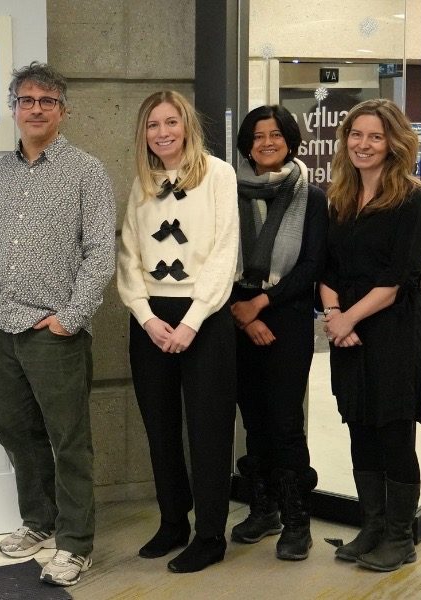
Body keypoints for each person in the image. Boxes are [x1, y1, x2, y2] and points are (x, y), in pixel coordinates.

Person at [0, 61, 115, 587]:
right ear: (13, 109)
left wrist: (70, 319)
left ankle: (75, 544)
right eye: (26, 101)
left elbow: (100, 253)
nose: (35, 109)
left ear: (63, 111)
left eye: (46, 102)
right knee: (15, 432)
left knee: (68, 439)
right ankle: (39, 522)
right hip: (0, 329)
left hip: (54, 333)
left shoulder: (86, 170)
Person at [116, 90, 239, 574]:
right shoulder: (142, 184)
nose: (162, 133)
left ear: (187, 125)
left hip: (204, 316)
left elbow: (225, 250)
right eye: (152, 125)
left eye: (171, 122)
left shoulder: (218, 175)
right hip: (150, 318)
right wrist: (145, 316)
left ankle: (210, 534)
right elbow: (128, 254)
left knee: (208, 430)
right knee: (160, 426)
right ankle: (173, 522)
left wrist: (192, 320)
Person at [320, 99, 421, 573]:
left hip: (392, 327)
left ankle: (400, 537)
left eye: (375, 136)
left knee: (393, 431)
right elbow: (326, 267)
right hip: (345, 324)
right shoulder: (340, 197)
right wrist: (333, 314)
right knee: (359, 426)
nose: (363, 144)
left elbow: (398, 277)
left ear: (394, 143)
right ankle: (372, 524)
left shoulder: (412, 199)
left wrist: (348, 319)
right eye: (356, 135)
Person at [226, 105, 328, 561]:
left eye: (276, 134)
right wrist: (242, 313)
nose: (266, 142)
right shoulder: (224, 192)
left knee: (285, 421)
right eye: (258, 135)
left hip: (285, 316)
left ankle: (296, 521)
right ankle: (262, 510)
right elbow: (215, 256)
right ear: (247, 143)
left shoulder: (314, 197)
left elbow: (311, 266)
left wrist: (260, 305)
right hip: (234, 316)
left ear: (290, 140)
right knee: (254, 420)